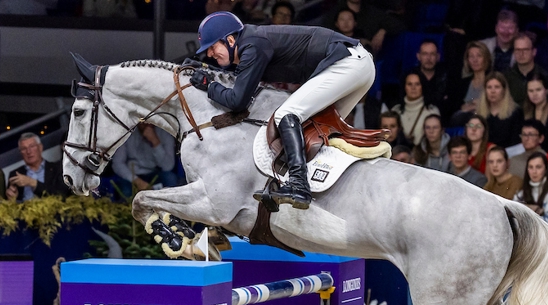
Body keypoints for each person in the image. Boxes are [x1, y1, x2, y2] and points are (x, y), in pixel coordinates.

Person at [190, 11, 374, 209]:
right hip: (359, 64)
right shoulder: (252, 43)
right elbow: (242, 78)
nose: (209, 54)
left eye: (212, 47)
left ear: (231, 39)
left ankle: (298, 185)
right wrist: (205, 70)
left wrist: (209, 86)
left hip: (347, 63)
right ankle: (328, 191)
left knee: (286, 114)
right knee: (315, 129)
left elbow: (237, 101)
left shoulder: (252, 45)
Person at [110, 123, 178, 199]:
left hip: (154, 174)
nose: (146, 123)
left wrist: (155, 142)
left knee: (170, 179)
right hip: (131, 176)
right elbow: (117, 163)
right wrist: (137, 181)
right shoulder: (127, 133)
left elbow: (168, 167)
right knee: (126, 191)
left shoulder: (165, 133)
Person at [6, 133, 70, 201]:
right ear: (20, 153)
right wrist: (12, 199)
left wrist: (33, 183)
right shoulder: (15, 174)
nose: (28, 151)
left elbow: (62, 195)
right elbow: (10, 202)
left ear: (40, 147)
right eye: (24, 148)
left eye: (32, 146)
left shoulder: (57, 168)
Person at [389, 72, 440, 146]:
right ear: (404, 87)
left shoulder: (432, 111)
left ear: (422, 86)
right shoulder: (396, 110)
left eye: (417, 84)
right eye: (410, 84)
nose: (413, 88)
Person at [449, 41, 492, 126]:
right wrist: (470, 106)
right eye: (471, 56)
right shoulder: (462, 83)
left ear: (486, 58)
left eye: (479, 56)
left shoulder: (493, 81)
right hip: (463, 123)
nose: (475, 60)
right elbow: (455, 107)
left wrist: (470, 107)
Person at [505, 32, 548, 106]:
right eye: (517, 50)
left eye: (525, 50)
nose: (521, 54)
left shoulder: (545, 76)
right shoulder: (505, 77)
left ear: (534, 52)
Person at [515, 151, 548, 223]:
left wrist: (526, 210)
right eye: (531, 167)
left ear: (546, 169)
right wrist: (534, 210)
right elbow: (513, 218)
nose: (534, 171)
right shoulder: (521, 193)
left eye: (538, 167)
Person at [478, 72, 523, 147]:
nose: (493, 91)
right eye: (489, 87)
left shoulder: (515, 112)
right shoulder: (479, 113)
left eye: (497, 87)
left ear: (504, 90)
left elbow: (516, 142)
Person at [411, 39, 448, 118]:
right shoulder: (410, 76)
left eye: (432, 54)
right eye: (425, 54)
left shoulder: (446, 76)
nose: (428, 58)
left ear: (438, 57)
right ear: (418, 56)